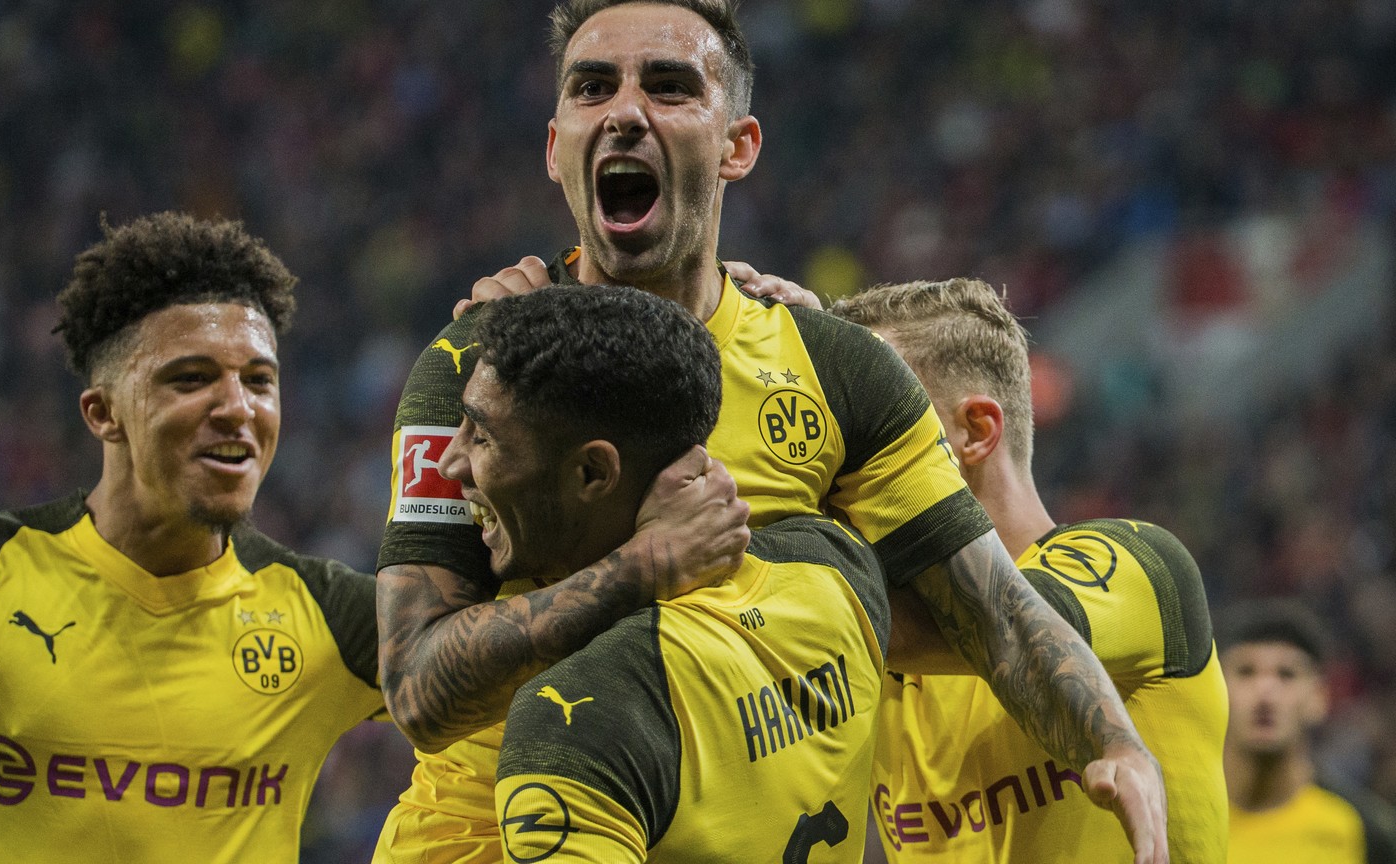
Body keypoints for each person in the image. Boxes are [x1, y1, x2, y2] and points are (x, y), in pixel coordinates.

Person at [374, 1, 1167, 862]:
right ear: (556, 143)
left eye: (671, 86)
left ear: (737, 146)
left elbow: (994, 614)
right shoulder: (476, 367)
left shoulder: (833, 369)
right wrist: (641, 570)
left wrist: (1113, 743)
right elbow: (419, 688)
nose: (626, 111)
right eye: (593, 87)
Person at [0, 212, 385, 862]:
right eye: (191, 378)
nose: (238, 407)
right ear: (102, 412)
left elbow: (526, 667)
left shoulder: (332, 617)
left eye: (259, 380)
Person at [449, 284, 892, 861]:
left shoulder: (579, 714)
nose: (449, 460)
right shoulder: (837, 565)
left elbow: (421, 696)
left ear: (592, 472)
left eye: (481, 436)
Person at [827, 278, 1229, 862]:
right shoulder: (881, 662)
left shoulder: (1133, 565)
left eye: (869, 420)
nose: (837, 452)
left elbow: (1000, 620)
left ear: (975, 430)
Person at [1219, 599, 1396, 863]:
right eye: (1246, 672)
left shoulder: (1366, 832)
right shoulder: (1172, 816)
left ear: (1319, 697)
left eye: (1286, 674)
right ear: (1216, 691)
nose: (1265, 692)